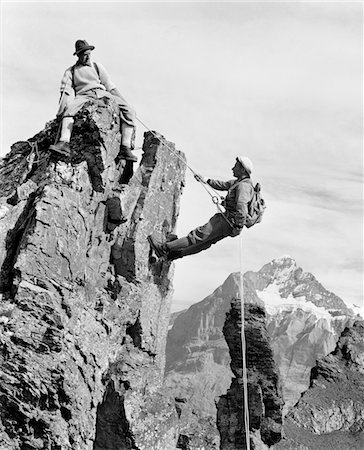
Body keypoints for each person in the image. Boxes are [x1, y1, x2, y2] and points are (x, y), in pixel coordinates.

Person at [148, 156, 254, 260]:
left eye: (236, 166)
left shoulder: (243, 186)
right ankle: (176, 254)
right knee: (205, 242)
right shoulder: (239, 183)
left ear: (242, 170)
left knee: (198, 235)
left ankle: (163, 248)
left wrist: (238, 226)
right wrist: (204, 179)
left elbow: (241, 206)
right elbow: (221, 185)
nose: (232, 168)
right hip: (229, 224)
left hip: (227, 221)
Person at [50, 40, 137, 161]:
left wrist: (123, 101)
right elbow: (66, 91)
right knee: (69, 110)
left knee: (130, 110)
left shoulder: (97, 66)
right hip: (83, 95)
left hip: (102, 93)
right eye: (84, 54)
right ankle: (64, 143)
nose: (87, 56)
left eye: (89, 53)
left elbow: (110, 86)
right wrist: (62, 109)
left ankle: (125, 148)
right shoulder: (71, 71)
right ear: (78, 55)